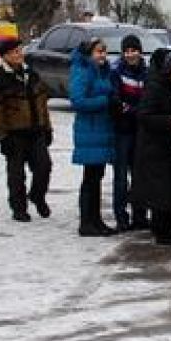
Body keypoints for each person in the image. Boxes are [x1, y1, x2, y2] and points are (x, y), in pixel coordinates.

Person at [0, 39, 53, 222]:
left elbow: (42, 104)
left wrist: (47, 128)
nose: (19, 54)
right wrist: (2, 136)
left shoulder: (32, 74)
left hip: (36, 131)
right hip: (13, 134)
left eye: (20, 50)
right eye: (15, 52)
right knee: (16, 174)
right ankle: (19, 208)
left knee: (44, 167)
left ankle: (37, 196)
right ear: (5, 56)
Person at [130, 50, 171, 245]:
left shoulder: (170, 87)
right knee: (162, 193)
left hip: (166, 146)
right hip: (154, 149)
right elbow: (145, 116)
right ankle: (164, 231)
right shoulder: (155, 87)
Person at [70, 37, 117, 237]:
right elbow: (78, 101)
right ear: (89, 54)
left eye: (104, 51)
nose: (103, 55)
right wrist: (105, 101)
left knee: (96, 177)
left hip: (101, 131)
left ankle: (96, 220)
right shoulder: (83, 71)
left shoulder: (102, 71)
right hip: (90, 132)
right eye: (98, 51)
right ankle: (86, 222)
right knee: (90, 179)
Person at [109, 35, 149, 231]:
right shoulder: (116, 72)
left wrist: (135, 110)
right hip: (122, 131)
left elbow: (149, 100)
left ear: (140, 51)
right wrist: (136, 110)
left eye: (133, 50)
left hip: (140, 131)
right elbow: (116, 103)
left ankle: (140, 215)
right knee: (121, 177)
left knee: (140, 176)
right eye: (127, 51)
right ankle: (121, 216)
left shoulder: (146, 72)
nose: (130, 54)